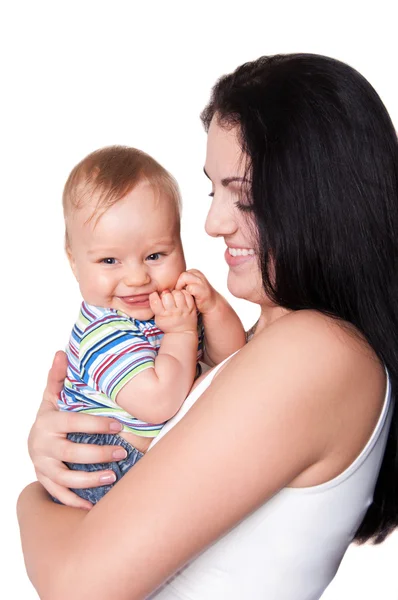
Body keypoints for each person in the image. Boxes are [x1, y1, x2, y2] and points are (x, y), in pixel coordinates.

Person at [18, 53, 398, 600]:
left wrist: (31, 499)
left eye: (243, 195)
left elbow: (79, 586)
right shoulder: (273, 347)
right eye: (211, 191)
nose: (213, 223)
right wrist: (64, 453)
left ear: (319, 197)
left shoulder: (316, 352)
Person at [56, 145, 246, 504]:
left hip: (149, 457)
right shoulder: (103, 332)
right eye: (110, 260)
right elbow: (159, 403)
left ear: (180, 245)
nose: (137, 277)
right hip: (108, 464)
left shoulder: (172, 306)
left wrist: (213, 307)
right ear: (74, 263)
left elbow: (234, 357)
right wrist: (181, 333)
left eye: (155, 255)